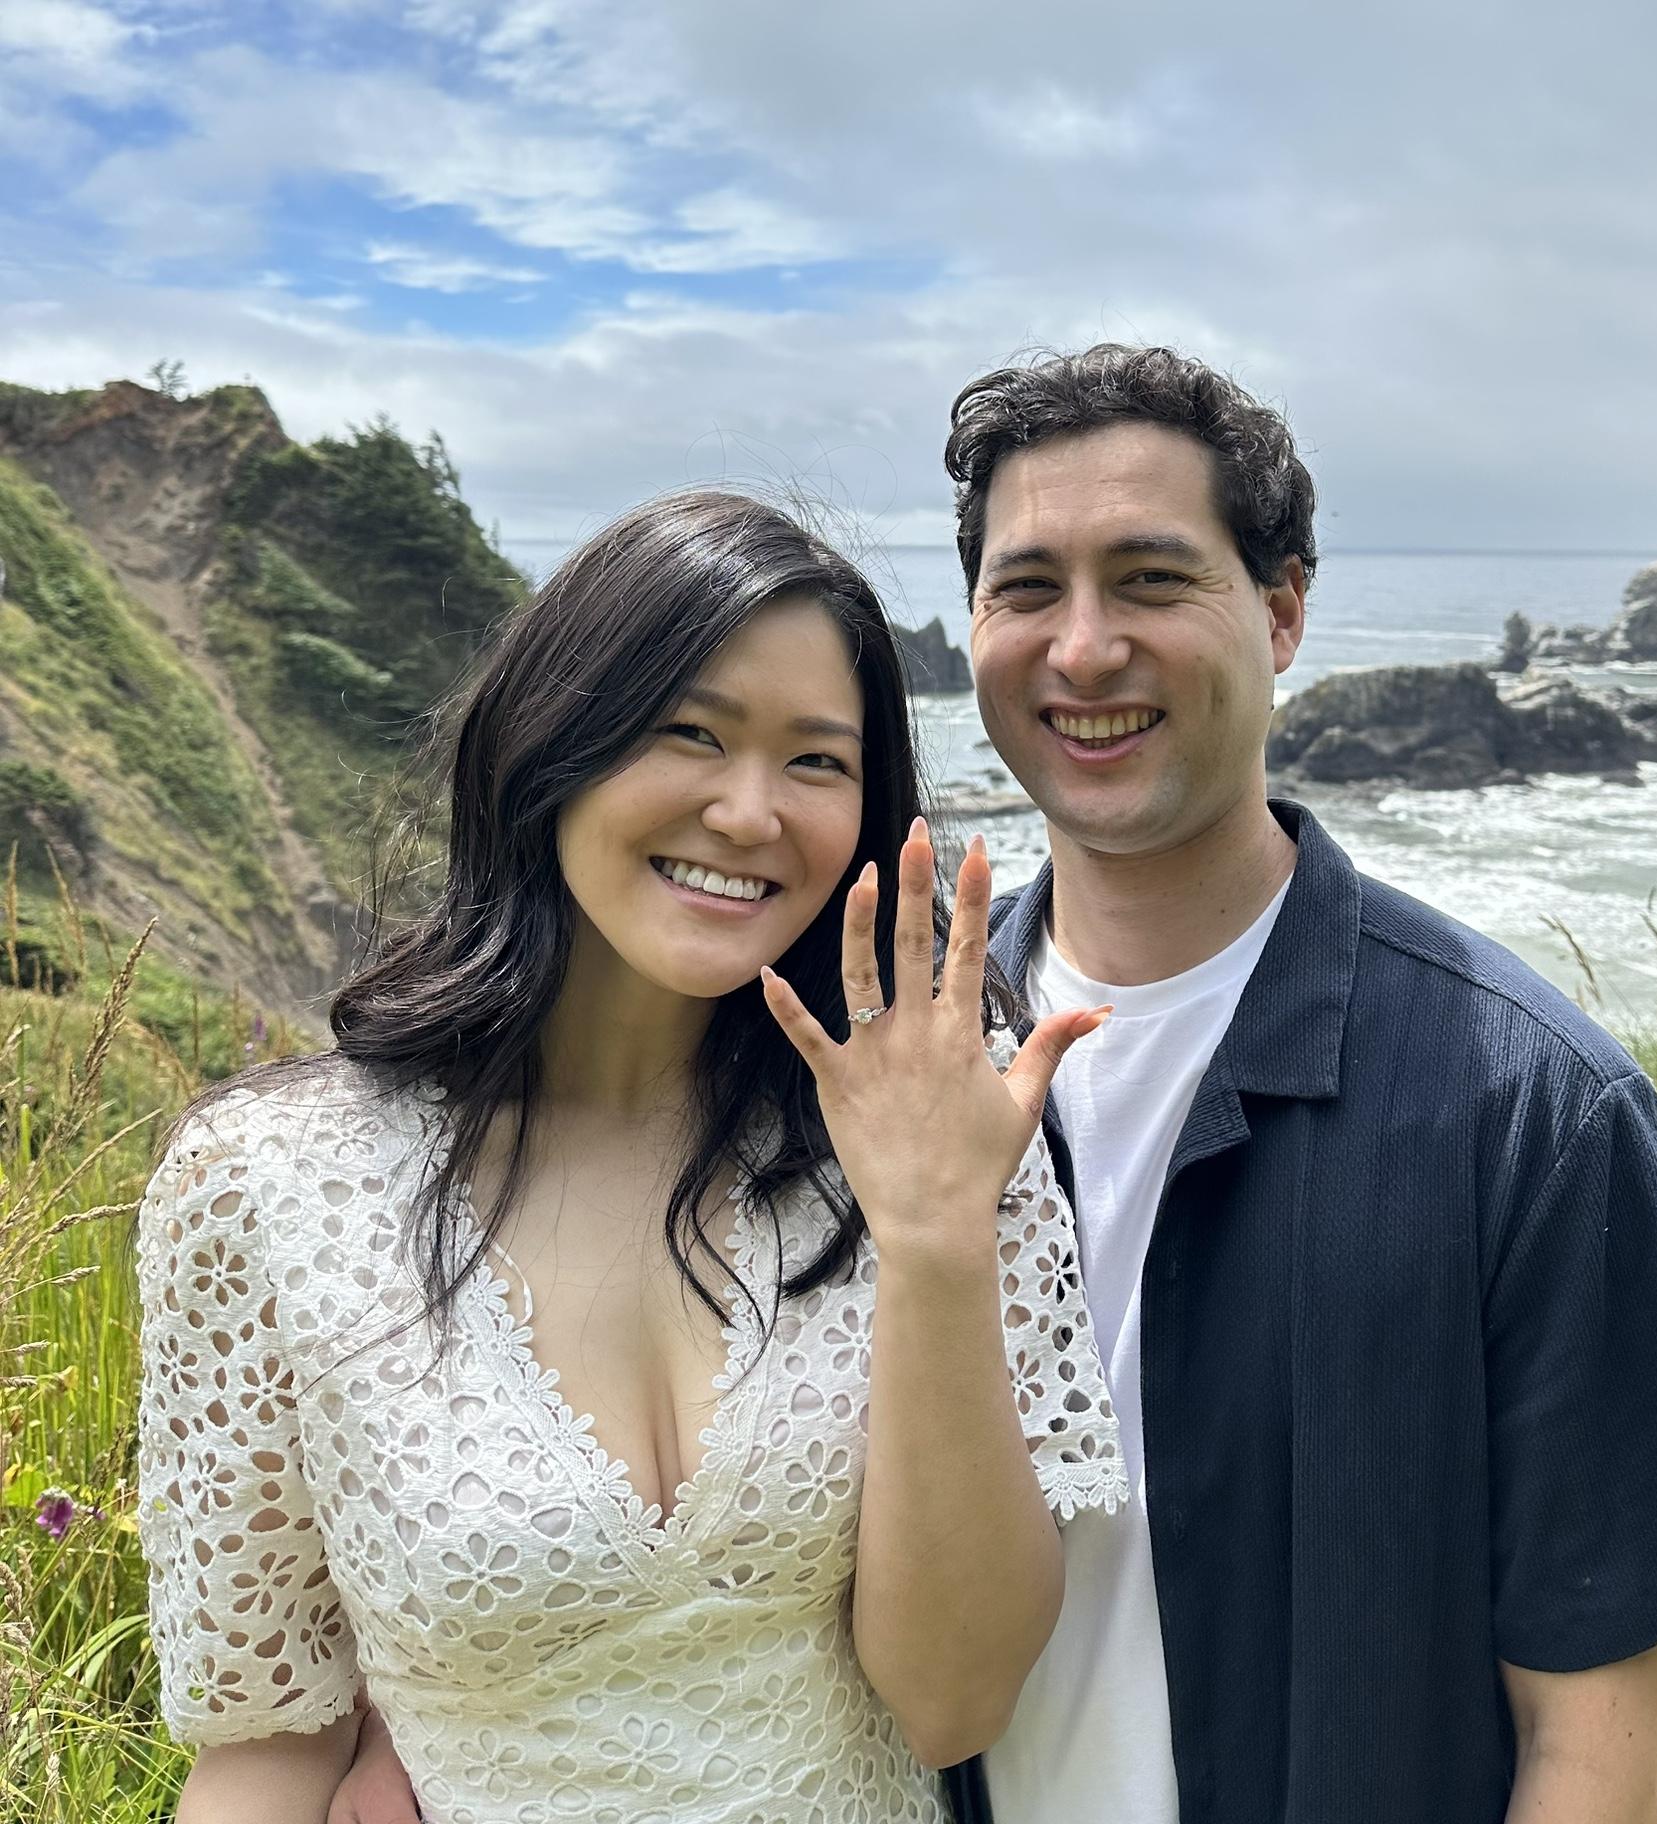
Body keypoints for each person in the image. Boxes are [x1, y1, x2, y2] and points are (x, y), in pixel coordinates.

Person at [136, 490, 1126, 1824]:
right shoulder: (266, 1187)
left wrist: (937, 1239)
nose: (746, 811)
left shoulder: (931, 1147)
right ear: (555, 744)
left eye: (817, 764)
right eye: (689, 734)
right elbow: (266, 1753)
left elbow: (951, 1700)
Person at [932, 344, 1657, 1822]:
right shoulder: (889, 1072)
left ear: (1282, 611)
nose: (1082, 650)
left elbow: (1609, 1757)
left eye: (1153, 580)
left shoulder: (1531, 1111)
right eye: (1029, 588)